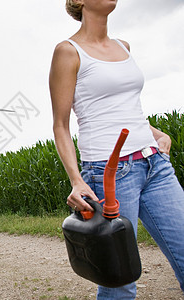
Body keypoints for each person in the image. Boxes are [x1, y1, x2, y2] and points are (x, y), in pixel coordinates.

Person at [49, 0, 184, 299]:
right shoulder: (68, 52)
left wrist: (158, 134)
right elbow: (60, 124)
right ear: (79, 2)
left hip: (155, 165)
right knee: (119, 280)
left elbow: (125, 108)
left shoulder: (124, 47)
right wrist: (76, 179)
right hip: (110, 173)